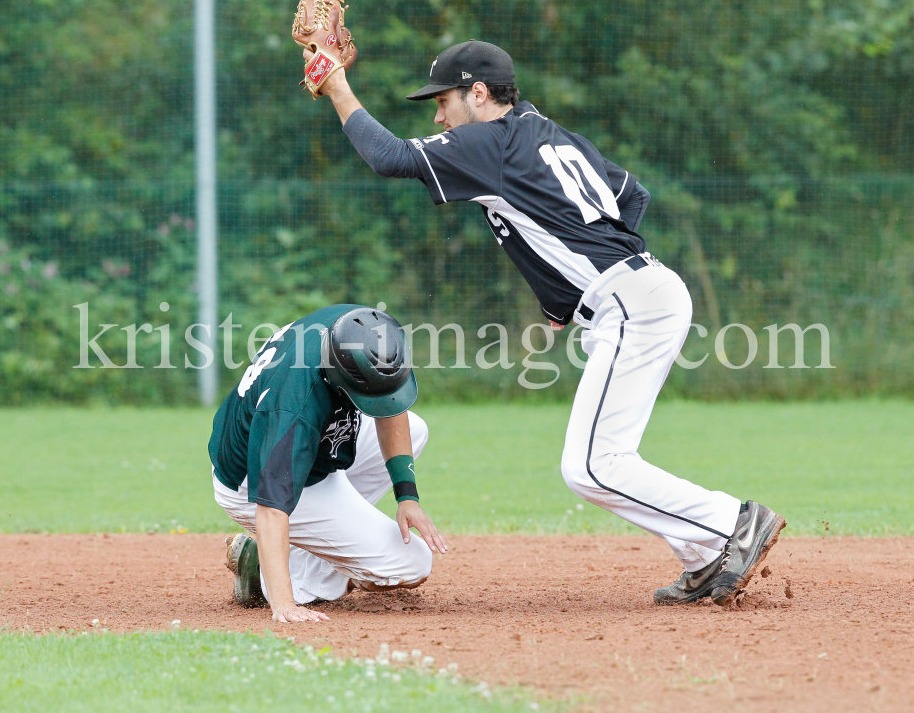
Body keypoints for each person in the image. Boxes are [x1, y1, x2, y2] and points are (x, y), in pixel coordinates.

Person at [303, 40, 784, 606]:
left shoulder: (488, 141)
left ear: (478, 93)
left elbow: (390, 157)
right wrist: (573, 289)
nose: (438, 116)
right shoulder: (552, 134)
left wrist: (336, 86)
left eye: (444, 100)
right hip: (643, 290)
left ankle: (733, 523)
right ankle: (706, 556)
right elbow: (633, 194)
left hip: (631, 302)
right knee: (605, 457)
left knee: (592, 466)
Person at [211, 304, 447, 623]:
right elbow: (270, 506)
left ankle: (312, 541)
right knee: (411, 564)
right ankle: (260, 570)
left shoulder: (365, 335)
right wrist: (284, 605)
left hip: (312, 449)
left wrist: (407, 496)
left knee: (415, 428)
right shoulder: (292, 407)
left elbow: (389, 398)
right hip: (252, 484)